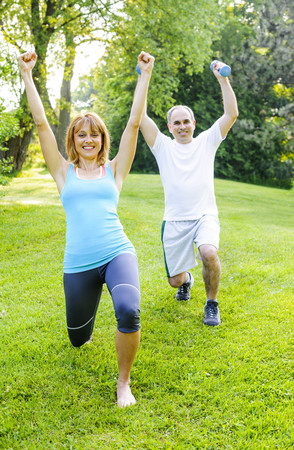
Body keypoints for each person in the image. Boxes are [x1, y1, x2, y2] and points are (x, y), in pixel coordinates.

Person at [18, 49, 154, 407]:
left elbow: (134, 124)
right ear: (74, 141)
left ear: (102, 139)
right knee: (78, 338)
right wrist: (27, 75)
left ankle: (123, 383)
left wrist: (144, 75)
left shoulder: (115, 170)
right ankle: (85, 325)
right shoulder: (63, 172)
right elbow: (42, 124)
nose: (88, 140)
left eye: (94, 134)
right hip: (78, 264)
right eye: (81, 135)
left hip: (116, 252)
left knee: (128, 308)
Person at [139, 60, 238, 326]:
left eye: (186, 121)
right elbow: (139, 117)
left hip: (204, 215)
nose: (182, 126)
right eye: (176, 123)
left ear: (193, 123)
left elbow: (231, 115)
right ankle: (187, 280)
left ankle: (211, 303)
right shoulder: (162, 146)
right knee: (175, 281)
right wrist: (144, 77)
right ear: (169, 127)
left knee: (208, 252)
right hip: (174, 220)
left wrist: (222, 80)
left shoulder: (207, 141)